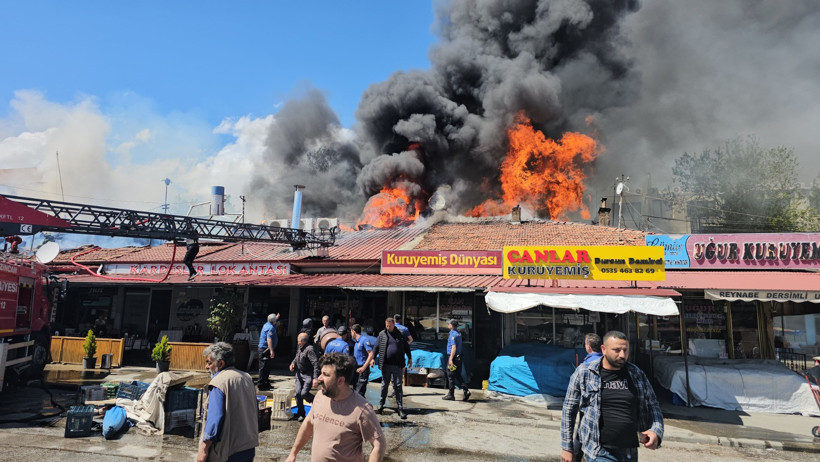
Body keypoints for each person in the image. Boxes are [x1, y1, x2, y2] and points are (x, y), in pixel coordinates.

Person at [561, 330, 664, 462]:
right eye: (616, 350)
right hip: (600, 451)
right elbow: (569, 409)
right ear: (603, 349)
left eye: (625, 350)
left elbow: (653, 405)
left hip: (630, 452)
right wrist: (567, 447)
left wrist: (656, 431)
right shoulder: (585, 372)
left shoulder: (636, 374)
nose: (622, 355)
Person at [285, 353, 386, 462]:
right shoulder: (320, 396)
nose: (319, 378)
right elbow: (308, 424)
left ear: (340, 381)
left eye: (325, 374)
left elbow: (379, 445)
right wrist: (293, 453)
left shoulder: (362, 409)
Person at [198, 342, 258, 462]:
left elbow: (215, 419)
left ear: (220, 363)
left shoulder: (219, 382)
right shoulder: (246, 377)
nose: (206, 367)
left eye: (209, 362)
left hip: (228, 451)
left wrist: (203, 449)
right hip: (247, 447)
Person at [375, 317, 412, 419]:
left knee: (398, 385)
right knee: (384, 385)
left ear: (394, 324)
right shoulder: (382, 334)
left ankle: (400, 407)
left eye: (390, 326)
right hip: (386, 365)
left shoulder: (400, 334)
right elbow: (376, 347)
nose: (388, 327)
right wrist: (373, 358)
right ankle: (381, 403)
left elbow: (406, 347)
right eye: (386, 325)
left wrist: (409, 358)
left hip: (398, 365)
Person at [289, 332, 319, 422]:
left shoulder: (309, 349)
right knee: (297, 394)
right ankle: (301, 413)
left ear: (301, 341)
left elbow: (315, 364)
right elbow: (296, 357)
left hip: (308, 374)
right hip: (299, 374)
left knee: (304, 393)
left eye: (298, 339)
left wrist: (315, 378)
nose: (297, 341)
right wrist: (293, 363)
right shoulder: (299, 347)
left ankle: (316, 402)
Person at [442, 319, 470, 402]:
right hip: (459, 357)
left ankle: (451, 394)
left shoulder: (453, 335)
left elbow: (453, 347)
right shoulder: (458, 333)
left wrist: (450, 359)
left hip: (453, 358)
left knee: (451, 375)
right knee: (457, 374)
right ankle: (466, 390)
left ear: (452, 325)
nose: (448, 324)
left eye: (449, 323)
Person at [257, 312, 280, 391]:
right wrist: (271, 350)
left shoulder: (268, 324)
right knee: (263, 368)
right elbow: (269, 339)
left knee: (267, 367)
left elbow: (273, 321)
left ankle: (266, 383)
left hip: (266, 349)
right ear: (273, 321)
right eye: (275, 320)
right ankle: (261, 384)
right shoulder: (270, 328)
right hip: (265, 349)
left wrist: (276, 317)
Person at [351, 324, 375, 397]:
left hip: (362, 369)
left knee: (359, 393)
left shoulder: (364, 340)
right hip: (356, 368)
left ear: (354, 332)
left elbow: (371, 354)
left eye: (351, 332)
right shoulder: (356, 342)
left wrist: (364, 367)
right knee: (355, 391)